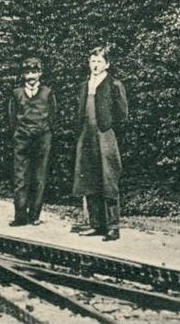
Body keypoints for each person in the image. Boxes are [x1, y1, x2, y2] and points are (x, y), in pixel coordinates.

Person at [72, 46, 129, 241]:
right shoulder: (84, 85)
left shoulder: (114, 84)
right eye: (92, 61)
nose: (95, 65)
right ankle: (96, 225)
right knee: (88, 178)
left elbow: (123, 115)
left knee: (108, 179)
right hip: (86, 137)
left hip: (105, 135)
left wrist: (108, 129)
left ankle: (113, 227)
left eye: (99, 61)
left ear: (107, 64)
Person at [8, 57, 57, 226]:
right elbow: (11, 117)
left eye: (34, 72)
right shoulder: (16, 93)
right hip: (22, 138)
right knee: (20, 177)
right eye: (27, 72)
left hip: (42, 138)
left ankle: (34, 215)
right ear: (23, 75)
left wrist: (45, 132)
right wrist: (18, 133)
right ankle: (20, 216)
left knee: (39, 177)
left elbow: (54, 116)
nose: (31, 76)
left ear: (40, 73)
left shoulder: (47, 92)